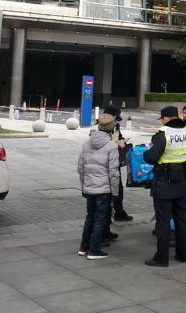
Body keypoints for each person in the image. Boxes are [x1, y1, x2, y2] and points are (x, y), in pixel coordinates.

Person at [144, 106, 186, 267]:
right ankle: (183, 255)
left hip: (164, 183)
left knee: (163, 221)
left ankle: (161, 258)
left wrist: (146, 152)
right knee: (182, 220)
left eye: (162, 119)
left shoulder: (163, 134)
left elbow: (150, 157)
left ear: (166, 118)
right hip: (181, 181)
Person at [77, 114, 120, 260]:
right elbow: (113, 172)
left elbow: (81, 168)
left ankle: (84, 247)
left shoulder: (86, 144)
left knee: (90, 216)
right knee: (100, 218)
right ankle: (95, 250)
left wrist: (84, 186)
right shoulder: (111, 146)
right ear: (112, 129)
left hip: (89, 187)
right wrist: (115, 191)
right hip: (103, 189)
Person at [101, 105, 133, 225]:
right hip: (104, 163)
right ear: (113, 116)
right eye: (115, 118)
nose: (115, 121)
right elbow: (101, 145)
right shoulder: (99, 127)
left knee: (118, 187)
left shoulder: (116, 126)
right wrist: (116, 144)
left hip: (115, 161)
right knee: (107, 190)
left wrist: (122, 140)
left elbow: (118, 137)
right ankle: (107, 216)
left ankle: (118, 212)